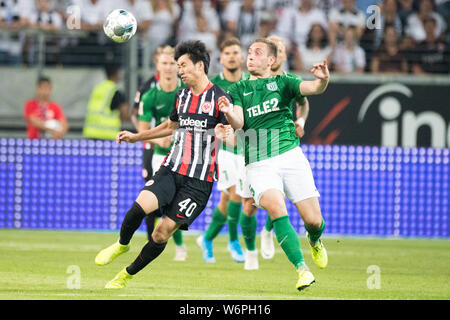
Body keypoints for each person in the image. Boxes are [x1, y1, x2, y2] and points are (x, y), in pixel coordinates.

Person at [94, 40, 234, 289]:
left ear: (199, 66)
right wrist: (136, 136)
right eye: (177, 65)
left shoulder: (220, 98)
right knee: (139, 207)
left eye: (183, 65)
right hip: (171, 168)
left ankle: (126, 275)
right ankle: (122, 245)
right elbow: (170, 126)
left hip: (199, 183)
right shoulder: (181, 96)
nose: (179, 71)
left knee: (161, 233)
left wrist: (228, 135)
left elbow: (235, 134)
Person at [218, 38, 329, 291]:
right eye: (249, 52)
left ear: (271, 60)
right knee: (276, 207)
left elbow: (314, 89)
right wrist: (228, 112)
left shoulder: (285, 82)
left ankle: (314, 239)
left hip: (290, 155)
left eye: (257, 53)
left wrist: (323, 80)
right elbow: (237, 122)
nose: (250, 56)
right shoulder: (238, 89)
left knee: (313, 221)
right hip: (258, 163)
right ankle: (302, 270)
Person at [196, 37, 248, 264]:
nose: (232, 56)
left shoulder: (249, 83)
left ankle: (207, 239)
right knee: (237, 192)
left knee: (227, 202)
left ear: (242, 57)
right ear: (221, 58)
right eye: (228, 53)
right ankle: (233, 241)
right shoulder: (213, 85)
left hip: (248, 147)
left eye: (236, 52)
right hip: (223, 149)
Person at [138, 45, 187, 261]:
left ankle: (174, 243)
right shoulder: (149, 96)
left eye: (171, 64)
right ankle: (177, 246)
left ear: (178, 66)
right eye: (164, 63)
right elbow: (142, 129)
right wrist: (159, 138)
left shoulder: (187, 92)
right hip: (160, 155)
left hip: (187, 156)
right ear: (158, 66)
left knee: (180, 202)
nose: (168, 68)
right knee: (166, 203)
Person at [83, 65, 130, 140]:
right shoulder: (116, 92)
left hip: (91, 134)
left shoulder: (97, 88)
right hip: (108, 136)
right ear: (117, 73)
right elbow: (125, 114)